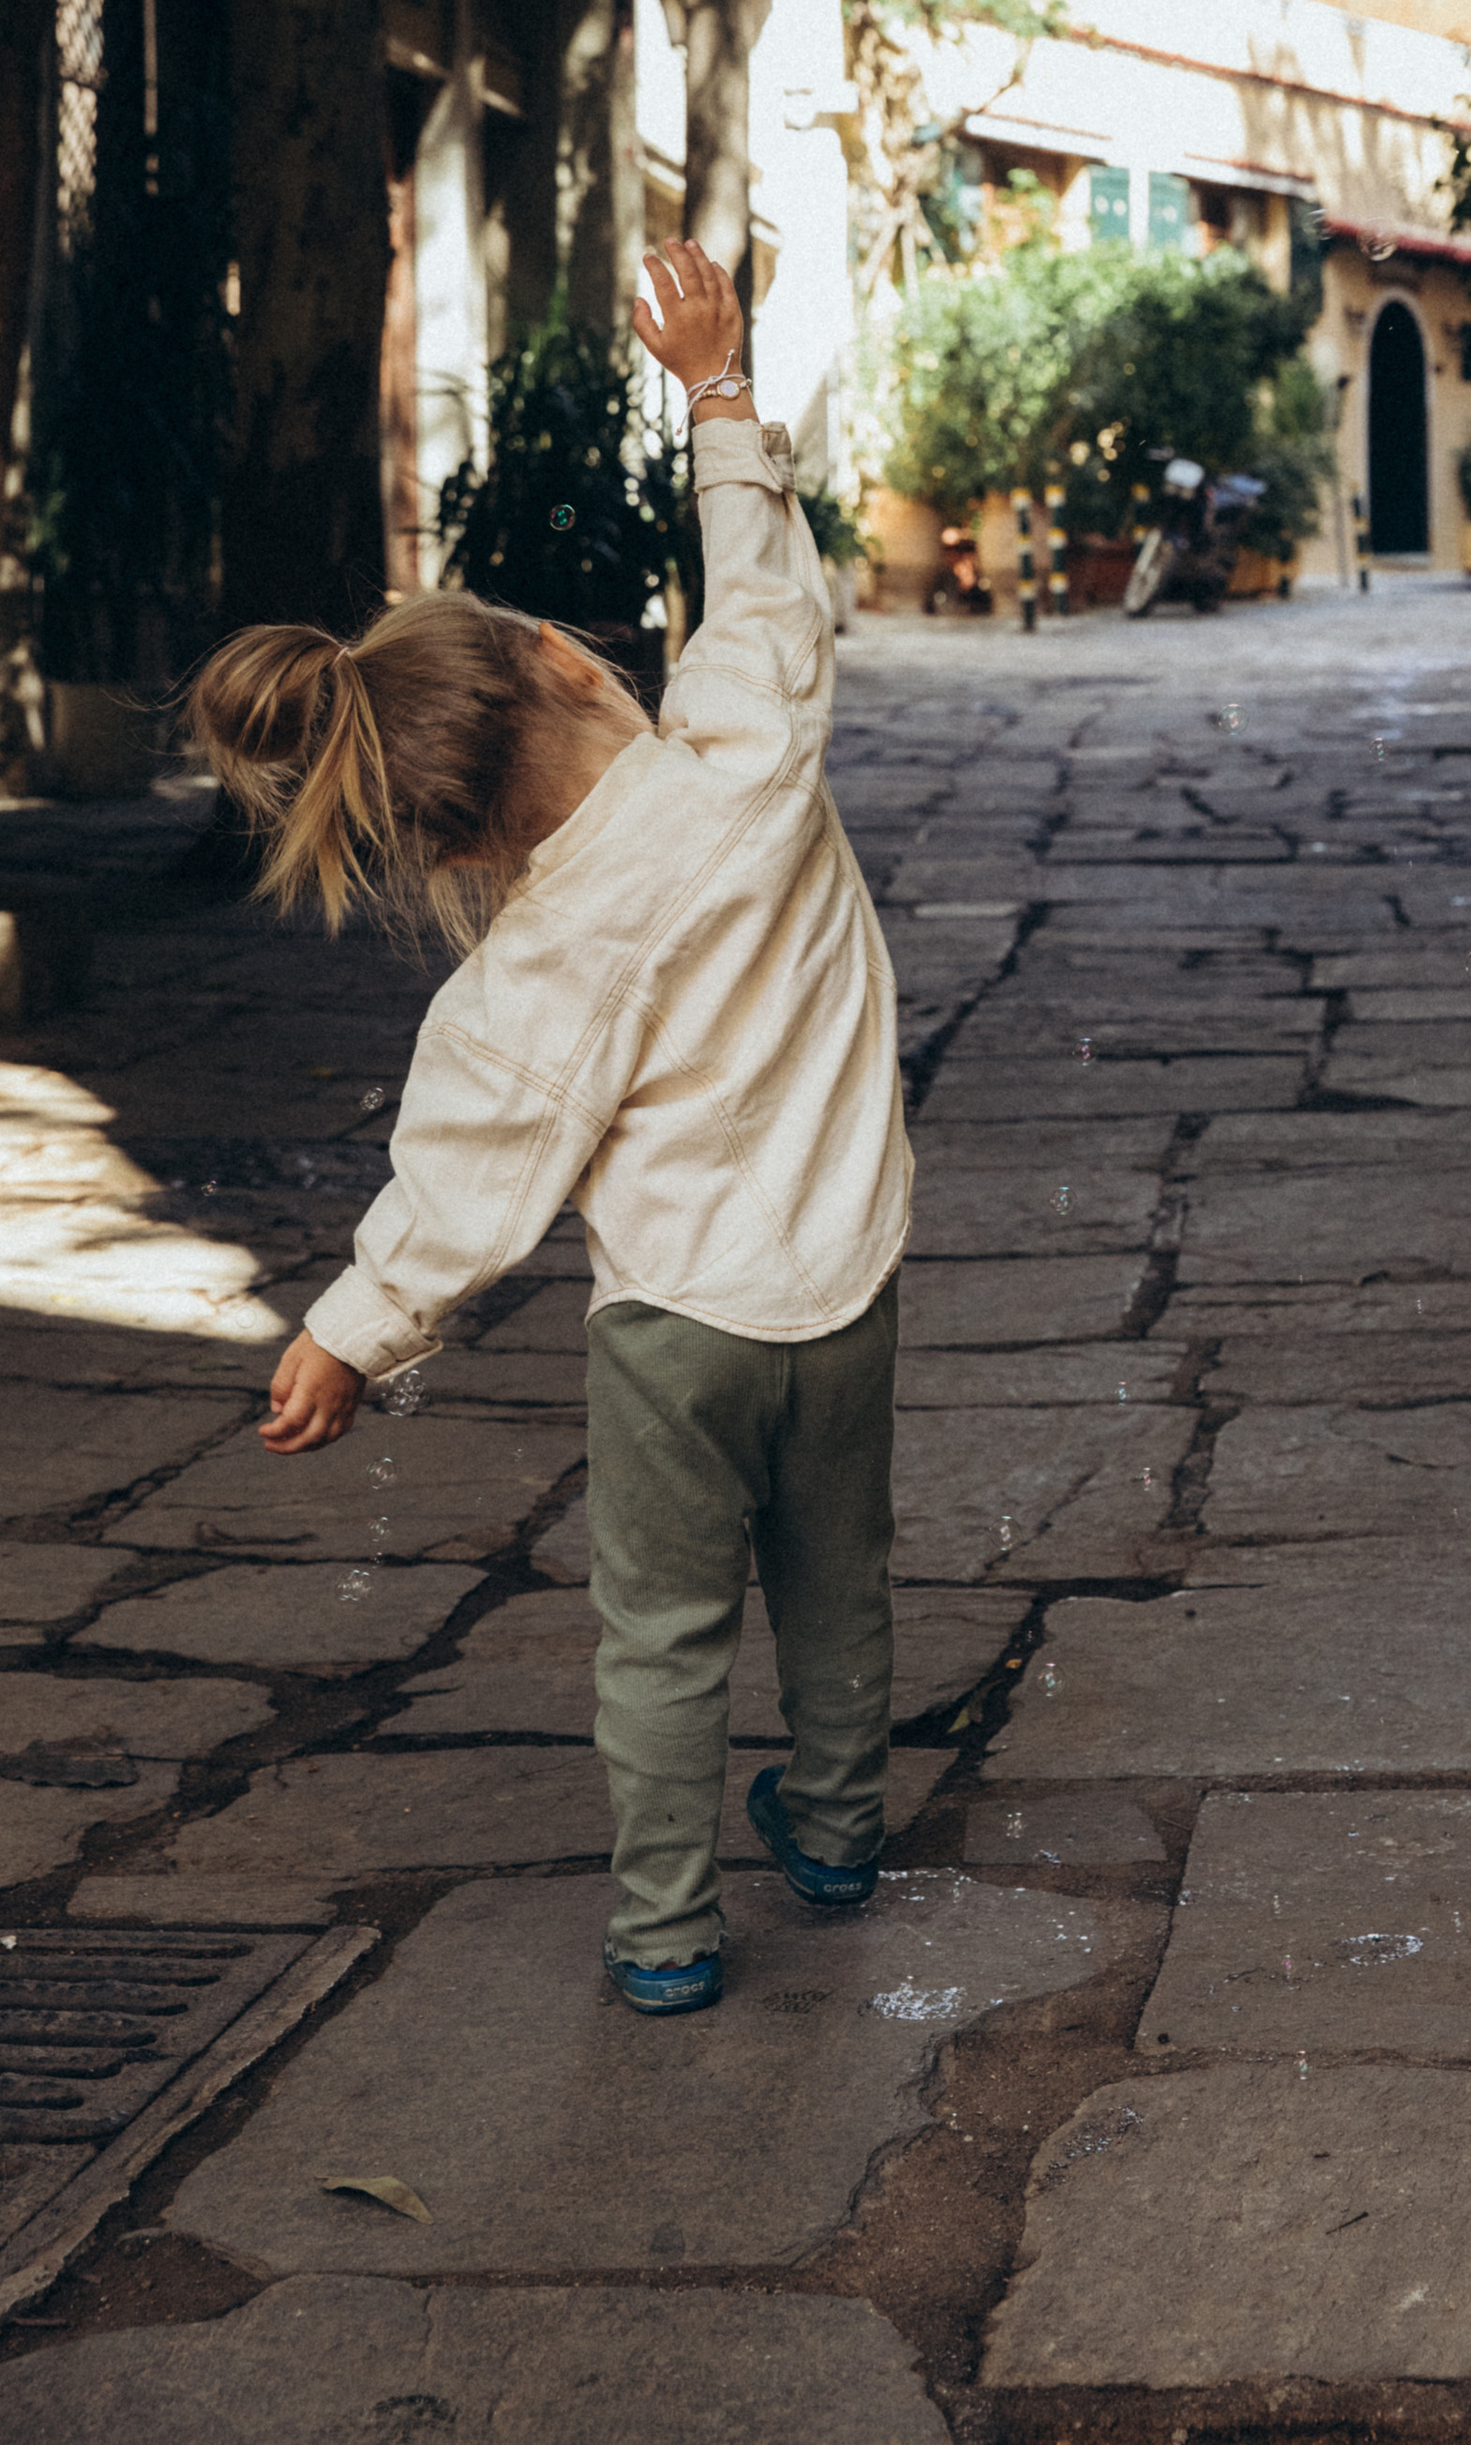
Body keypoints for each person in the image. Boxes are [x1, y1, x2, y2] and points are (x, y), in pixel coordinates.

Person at [188, 240, 907, 2001]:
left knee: (658, 1637)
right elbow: (765, 598)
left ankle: (665, 1938)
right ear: (573, 663)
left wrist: (355, 1334)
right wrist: (718, 390)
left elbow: (463, 1190)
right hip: (848, 1287)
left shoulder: (519, 984)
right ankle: (834, 1824)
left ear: (447, 847)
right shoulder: (747, 755)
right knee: (840, 1582)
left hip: (672, 1333)